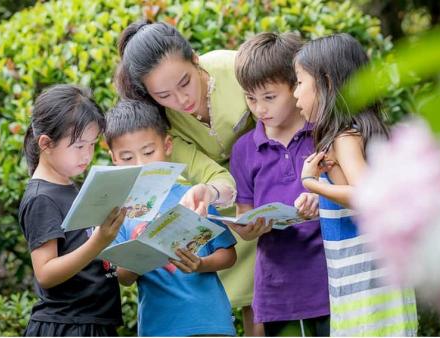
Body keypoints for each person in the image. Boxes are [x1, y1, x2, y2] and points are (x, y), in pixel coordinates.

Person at [114, 20, 259, 334]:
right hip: (221, 201)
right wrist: (209, 191)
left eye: (185, 83)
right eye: (164, 94)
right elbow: (211, 175)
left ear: (195, 58)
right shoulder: (165, 123)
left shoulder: (234, 67)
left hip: (266, 180)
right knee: (246, 297)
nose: (181, 100)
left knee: (267, 294)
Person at [293, 33, 418, 336]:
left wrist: (312, 183)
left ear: (327, 83)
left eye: (298, 82)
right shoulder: (360, 131)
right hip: (374, 276)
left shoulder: (344, 135)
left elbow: (365, 195)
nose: (295, 94)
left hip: (366, 284)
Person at [104, 99, 237, 336]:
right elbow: (124, 278)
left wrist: (201, 264)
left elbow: (228, 254)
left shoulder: (192, 196)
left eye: (148, 152)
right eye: (127, 158)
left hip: (210, 321)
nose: (141, 164)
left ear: (167, 145)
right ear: (113, 157)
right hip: (159, 327)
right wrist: (139, 252)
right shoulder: (119, 214)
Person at [229, 32, 330, 336]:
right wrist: (247, 227)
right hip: (276, 286)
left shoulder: (323, 133)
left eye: (269, 97)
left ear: (295, 86)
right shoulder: (245, 149)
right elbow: (243, 215)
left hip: (327, 278)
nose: (259, 109)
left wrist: (321, 199)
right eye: (250, 98)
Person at [18, 84, 127, 336]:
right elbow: (45, 273)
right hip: (67, 326)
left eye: (92, 144)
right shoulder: (41, 198)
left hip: (94, 321)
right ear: (46, 143)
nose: (87, 155)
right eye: (79, 146)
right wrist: (99, 241)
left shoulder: (72, 186)